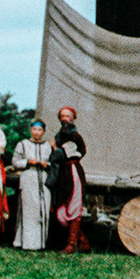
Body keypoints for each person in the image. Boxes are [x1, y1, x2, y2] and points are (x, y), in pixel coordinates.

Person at [11, 120, 52, 251]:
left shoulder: (48, 146)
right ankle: (26, 243)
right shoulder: (23, 144)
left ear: (43, 131)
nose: (36, 132)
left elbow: (54, 163)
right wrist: (28, 162)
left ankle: (40, 243)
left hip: (44, 179)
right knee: (28, 211)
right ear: (31, 130)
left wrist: (47, 165)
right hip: (29, 178)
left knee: (43, 209)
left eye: (39, 130)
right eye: (34, 129)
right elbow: (15, 162)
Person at [51, 106, 87, 253]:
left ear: (73, 118)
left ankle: (71, 244)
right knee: (60, 211)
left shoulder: (74, 136)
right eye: (62, 116)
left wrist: (55, 149)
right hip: (62, 173)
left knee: (74, 204)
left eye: (68, 116)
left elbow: (63, 154)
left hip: (73, 172)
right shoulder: (59, 135)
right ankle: (83, 240)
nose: (65, 119)